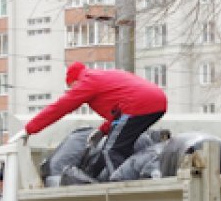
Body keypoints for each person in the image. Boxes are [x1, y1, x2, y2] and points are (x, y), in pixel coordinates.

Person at [10, 61, 167, 175]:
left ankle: (122, 192)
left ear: (74, 81)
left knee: (111, 150)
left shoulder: (87, 81)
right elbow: (118, 113)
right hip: (156, 102)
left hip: (138, 106)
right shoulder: (101, 76)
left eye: (72, 87)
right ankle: (140, 175)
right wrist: (102, 130)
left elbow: (59, 107)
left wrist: (29, 129)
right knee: (123, 146)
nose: (73, 90)